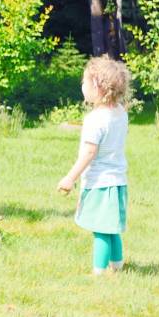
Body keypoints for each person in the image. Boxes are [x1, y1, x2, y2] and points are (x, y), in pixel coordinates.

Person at [57, 56, 131, 275]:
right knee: (112, 228)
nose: (82, 86)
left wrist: (70, 178)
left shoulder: (95, 119)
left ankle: (98, 273)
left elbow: (89, 153)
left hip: (100, 183)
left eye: (85, 82)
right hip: (118, 181)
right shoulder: (120, 112)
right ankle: (117, 267)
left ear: (97, 86)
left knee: (100, 230)